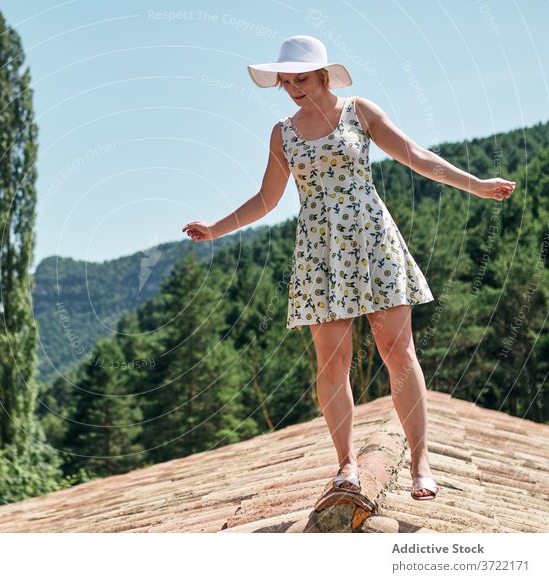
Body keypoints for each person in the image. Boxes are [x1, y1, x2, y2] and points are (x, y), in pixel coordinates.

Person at [182, 35, 515, 501]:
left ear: (323, 74)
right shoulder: (283, 133)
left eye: (301, 78)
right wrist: (216, 229)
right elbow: (266, 199)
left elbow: (417, 156)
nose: (293, 87)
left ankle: (420, 462)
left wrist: (474, 185)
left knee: (398, 353)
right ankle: (346, 465)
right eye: (286, 81)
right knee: (331, 364)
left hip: (373, 239)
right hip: (319, 251)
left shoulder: (360, 111)